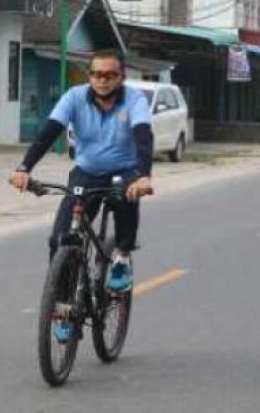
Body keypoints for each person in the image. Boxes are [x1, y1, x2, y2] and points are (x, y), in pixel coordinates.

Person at [9, 50, 154, 293]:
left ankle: (122, 257)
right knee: (61, 237)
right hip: (86, 172)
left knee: (128, 194)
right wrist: (24, 168)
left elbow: (143, 138)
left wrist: (144, 177)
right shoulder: (74, 97)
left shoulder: (134, 99)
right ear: (90, 76)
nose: (103, 80)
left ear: (121, 77)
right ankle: (65, 302)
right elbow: (49, 133)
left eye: (110, 75)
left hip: (123, 170)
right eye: (96, 74)